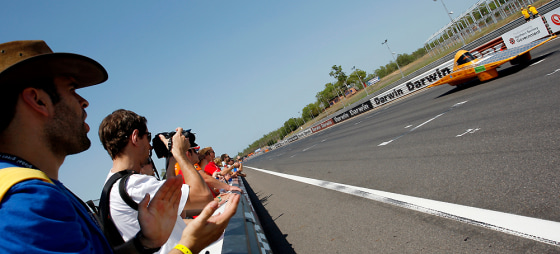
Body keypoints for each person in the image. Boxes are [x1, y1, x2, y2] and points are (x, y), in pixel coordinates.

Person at [0, 40, 239, 254]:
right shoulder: (27, 204)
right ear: (38, 100)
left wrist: (143, 243)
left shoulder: (32, 189)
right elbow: (200, 198)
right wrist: (187, 248)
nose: (84, 101)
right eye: (72, 89)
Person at [99, 109, 219, 253]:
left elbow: (175, 212)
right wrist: (180, 154)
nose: (150, 147)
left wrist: (171, 160)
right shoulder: (134, 185)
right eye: (147, 137)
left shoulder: (114, 184)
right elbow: (203, 197)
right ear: (135, 137)